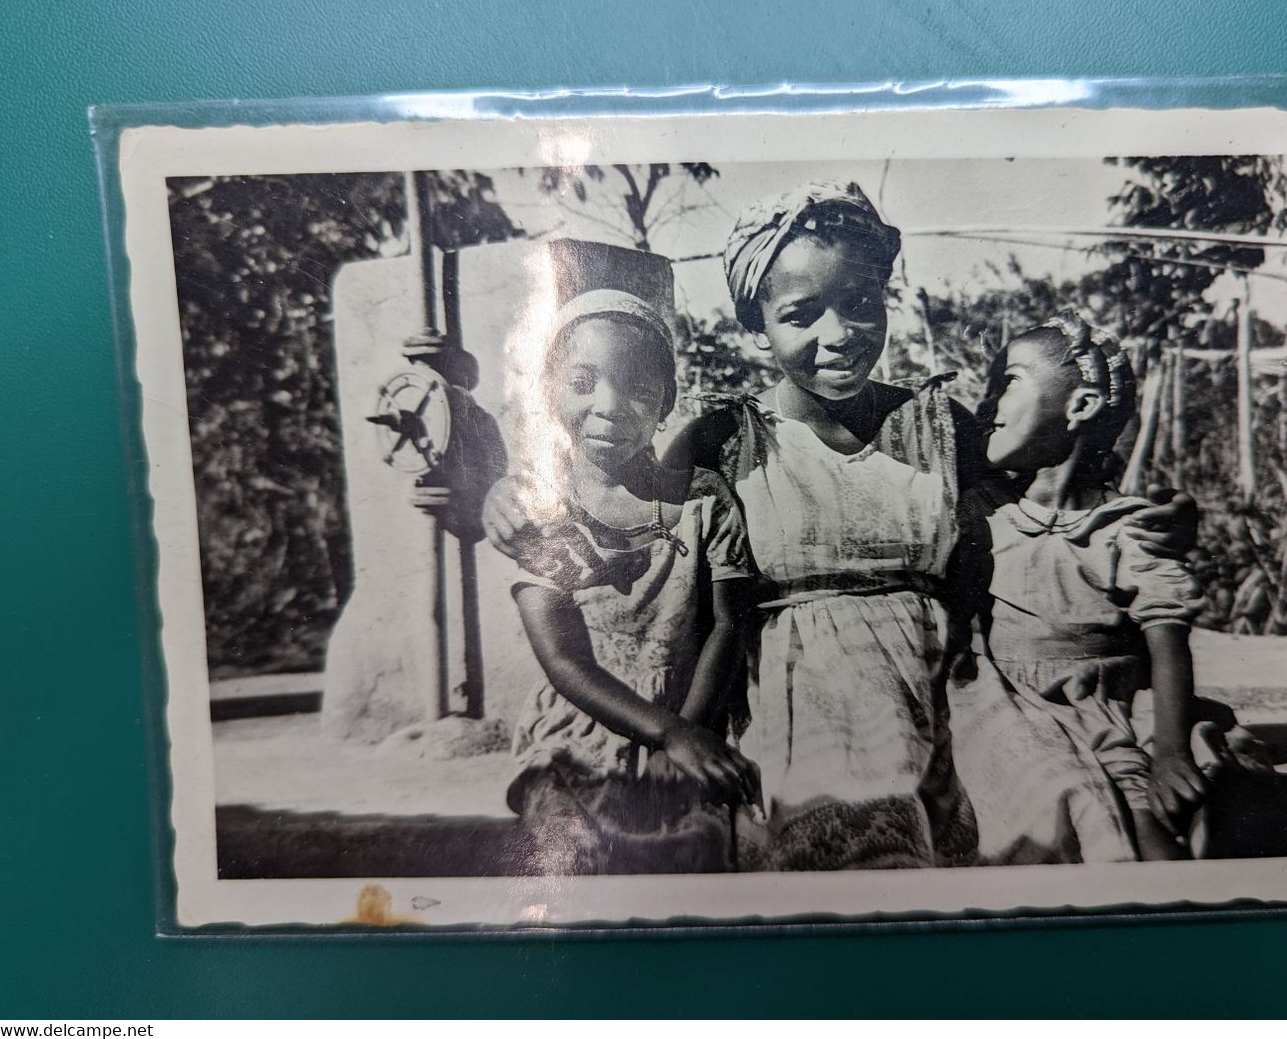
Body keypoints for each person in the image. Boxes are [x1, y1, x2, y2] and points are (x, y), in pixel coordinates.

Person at [487, 185, 1197, 869]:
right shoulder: (724, 435)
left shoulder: (937, 424)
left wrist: (1142, 514)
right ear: (757, 328)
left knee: (1060, 815)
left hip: (950, 686)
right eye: (802, 314)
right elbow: (629, 496)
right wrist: (501, 496)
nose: (841, 334)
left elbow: (1044, 495)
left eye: (860, 304)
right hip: (802, 691)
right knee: (857, 841)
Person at [505, 242, 760, 875]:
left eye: (639, 387)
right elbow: (563, 658)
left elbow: (729, 622)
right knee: (579, 865)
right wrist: (665, 733)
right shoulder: (545, 511)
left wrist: (688, 734)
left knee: (698, 860)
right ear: (548, 392)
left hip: (692, 712)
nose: (610, 406)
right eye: (583, 383)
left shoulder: (703, 500)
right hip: (580, 729)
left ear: (668, 402)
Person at [977, 313, 1207, 858]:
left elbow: (1168, 641)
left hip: (1095, 716)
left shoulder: (1128, 529)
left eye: (1007, 382)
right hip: (999, 711)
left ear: (1079, 406)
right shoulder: (985, 510)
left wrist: (1172, 754)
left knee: (1136, 832)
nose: (987, 405)